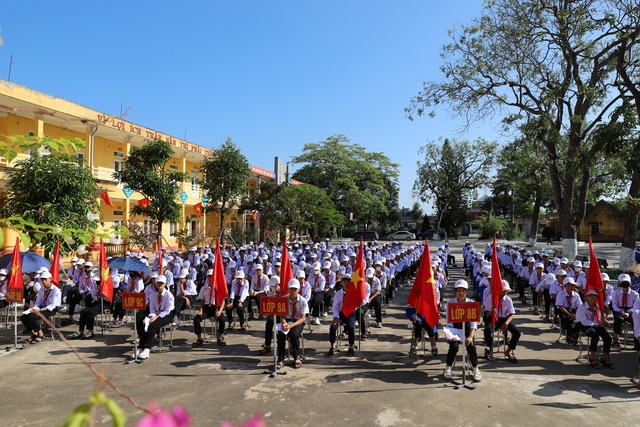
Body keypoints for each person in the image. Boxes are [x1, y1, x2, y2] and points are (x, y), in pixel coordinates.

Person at [443, 279, 481, 382]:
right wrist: (453, 335)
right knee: (454, 346)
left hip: (467, 329)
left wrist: (470, 337)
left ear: (467, 292)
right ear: (455, 292)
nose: (461, 293)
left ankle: (476, 369)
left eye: (463, 290)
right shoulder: (450, 303)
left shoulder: (471, 303)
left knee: (471, 347)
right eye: (459, 290)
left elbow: (473, 324)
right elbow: (449, 322)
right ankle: (447, 368)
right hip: (454, 330)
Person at [137, 275, 175, 359]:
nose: (159, 285)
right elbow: (152, 309)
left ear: (165, 284)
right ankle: (140, 347)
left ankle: (147, 349)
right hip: (156, 313)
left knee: (152, 326)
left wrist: (156, 317)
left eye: (161, 283)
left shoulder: (169, 295)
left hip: (166, 314)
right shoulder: (153, 295)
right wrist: (152, 316)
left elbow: (167, 310)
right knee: (146, 325)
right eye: (158, 283)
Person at [483, 280, 521, 362]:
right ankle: (490, 349)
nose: (505, 292)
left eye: (506, 290)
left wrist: (506, 323)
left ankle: (508, 351)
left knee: (517, 332)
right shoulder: (491, 298)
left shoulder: (508, 300)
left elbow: (511, 313)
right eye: (503, 290)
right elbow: (486, 315)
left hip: (503, 318)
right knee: (487, 330)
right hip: (492, 317)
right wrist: (492, 310)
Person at [576, 288, 614, 369]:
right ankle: (592, 357)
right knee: (595, 336)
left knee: (608, 338)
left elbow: (599, 318)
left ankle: (604, 358)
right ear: (586, 297)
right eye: (590, 295)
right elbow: (584, 321)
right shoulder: (581, 308)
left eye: (595, 295)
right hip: (586, 326)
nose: (593, 297)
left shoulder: (598, 307)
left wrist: (604, 322)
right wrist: (597, 324)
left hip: (596, 324)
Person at [276, 279, 309, 369]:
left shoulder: (303, 301)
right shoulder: (283, 299)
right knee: (280, 335)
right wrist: (284, 323)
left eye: (295, 289)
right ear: (288, 289)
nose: (293, 291)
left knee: (294, 334)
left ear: (299, 289)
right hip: (286, 321)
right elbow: (281, 315)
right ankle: (281, 359)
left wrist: (291, 326)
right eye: (291, 289)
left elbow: (302, 318)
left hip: (297, 322)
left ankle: (296, 357)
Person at [20, 272, 61, 343]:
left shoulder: (56, 290)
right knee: (23, 317)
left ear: (50, 279)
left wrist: (40, 310)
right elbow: (38, 302)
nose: (43, 281)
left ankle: (41, 334)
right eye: (42, 279)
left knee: (32, 317)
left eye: (45, 279)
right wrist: (34, 308)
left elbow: (53, 305)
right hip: (41, 307)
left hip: (50, 309)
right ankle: (34, 333)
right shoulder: (42, 289)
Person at [69, 269, 109, 340]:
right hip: (97, 301)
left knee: (90, 312)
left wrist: (104, 296)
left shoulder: (106, 286)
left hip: (105, 303)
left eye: (98, 281)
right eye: (96, 281)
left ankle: (90, 331)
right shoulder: (95, 285)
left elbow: (108, 298)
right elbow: (93, 295)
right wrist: (98, 297)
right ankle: (81, 330)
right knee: (84, 311)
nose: (97, 282)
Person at [191, 269, 227, 347]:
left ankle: (220, 338)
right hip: (207, 308)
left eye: (212, 276)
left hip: (216, 308)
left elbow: (223, 301)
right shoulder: (204, 288)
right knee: (196, 319)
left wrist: (220, 311)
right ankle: (199, 339)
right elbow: (202, 301)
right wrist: (200, 310)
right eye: (209, 276)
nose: (211, 278)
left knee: (222, 320)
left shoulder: (218, 288)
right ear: (207, 277)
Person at [328, 274, 357, 357]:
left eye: (348, 282)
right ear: (341, 283)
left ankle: (351, 347)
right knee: (333, 327)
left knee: (350, 327)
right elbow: (335, 306)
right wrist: (336, 317)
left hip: (350, 313)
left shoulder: (353, 293)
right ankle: (332, 346)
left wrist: (355, 307)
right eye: (344, 281)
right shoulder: (338, 293)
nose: (346, 283)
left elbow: (357, 302)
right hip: (341, 314)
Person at [612, 273, 639, 348]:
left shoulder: (635, 294)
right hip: (619, 309)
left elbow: (636, 306)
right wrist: (621, 311)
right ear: (619, 283)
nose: (625, 285)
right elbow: (614, 306)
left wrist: (629, 312)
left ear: (630, 283)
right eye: (623, 283)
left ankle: (637, 340)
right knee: (618, 319)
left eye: (626, 283)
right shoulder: (616, 293)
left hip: (630, 310)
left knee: (635, 321)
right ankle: (615, 337)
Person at [257, 276, 280, 356]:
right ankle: (268, 345)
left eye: (274, 285)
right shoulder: (270, 293)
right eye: (271, 285)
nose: (272, 287)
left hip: (284, 315)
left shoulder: (285, 292)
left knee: (283, 327)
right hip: (273, 313)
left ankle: (290, 346)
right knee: (269, 323)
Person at [555, 277, 582, 344]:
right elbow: (560, 307)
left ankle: (573, 334)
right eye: (568, 285)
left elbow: (579, 306)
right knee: (565, 320)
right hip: (564, 309)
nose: (570, 287)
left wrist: (576, 314)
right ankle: (571, 335)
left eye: (572, 285)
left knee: (582, 320)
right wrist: (570, 315)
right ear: (565, 286)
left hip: (574, 310)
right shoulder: (560, 294)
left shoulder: (576, 295)